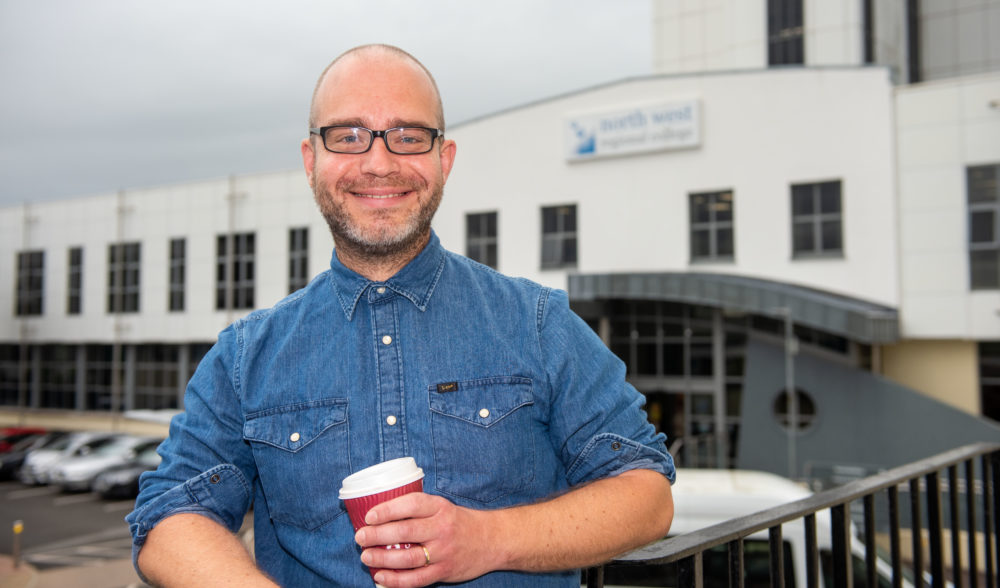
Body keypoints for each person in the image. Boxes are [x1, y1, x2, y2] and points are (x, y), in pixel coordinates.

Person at [127, 44, 675, 587]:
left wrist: (488, 540)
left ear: (445, 159)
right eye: (348, 136)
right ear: (310, 159)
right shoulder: (246, 356)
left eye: (409, 137)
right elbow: (169, 516)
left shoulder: (537, 323)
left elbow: (644, 494)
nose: (379, 163)